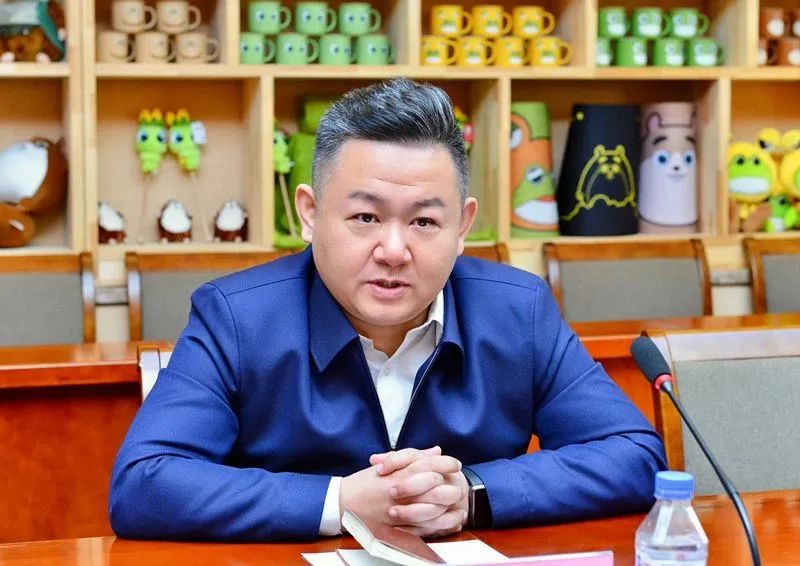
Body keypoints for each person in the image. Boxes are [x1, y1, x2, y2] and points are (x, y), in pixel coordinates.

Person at [109, 77, 666, 541]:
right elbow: (144, 483)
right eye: (366, 218)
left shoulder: (519, 310)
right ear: (310, 213)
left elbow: (636, 455)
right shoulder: (236, 317)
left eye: (424, 221)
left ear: (463, 226)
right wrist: (340, 501)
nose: (394, 250)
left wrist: (471, 493)